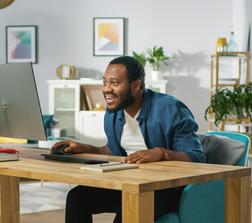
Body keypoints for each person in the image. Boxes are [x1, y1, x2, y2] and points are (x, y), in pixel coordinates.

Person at [51, 56, 206, 223]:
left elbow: (196, 158)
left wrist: (160, 153)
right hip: (130, 183)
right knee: (77, 197)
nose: (106, 89)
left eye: (115, 83)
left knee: (128, 212)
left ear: (135, 85)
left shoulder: (170, 109)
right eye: (105, 83)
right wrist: (87, 148)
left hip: (165, 189)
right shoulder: (113, 112)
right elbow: (114, 151)